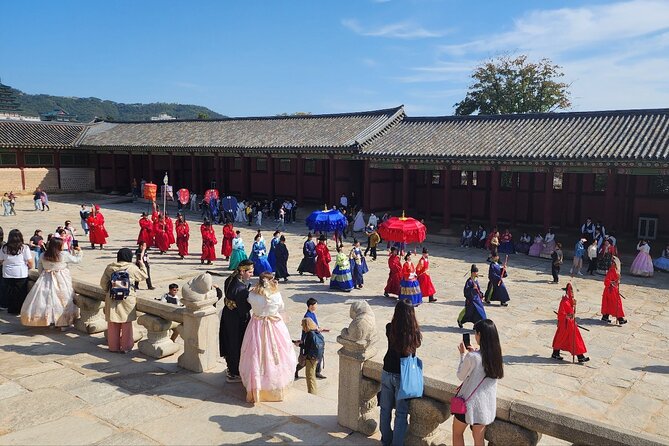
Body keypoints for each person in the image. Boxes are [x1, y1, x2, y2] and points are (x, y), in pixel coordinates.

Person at [239, 272, 297, 403]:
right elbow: (281, 307)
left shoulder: (252, 294)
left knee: (256, 354)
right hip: (274, 325)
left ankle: (257, 387)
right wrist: (275, 289)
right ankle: (275, 387)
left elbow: (249, 301)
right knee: (277, 353)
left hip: (256, 325)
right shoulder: (276, 295)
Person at [453, 319, 504, 446]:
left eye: (476, 333)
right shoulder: (496, 356)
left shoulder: (472, 357)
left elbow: (460, 375)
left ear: (480, 335)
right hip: (484, 408)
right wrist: (473, 353)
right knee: (479, 440)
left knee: (457, 433)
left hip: (467, 405)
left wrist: (463, 355)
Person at [380, 299, 422, 446]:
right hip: (402, 376)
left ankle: (386, 440)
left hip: (387, 371)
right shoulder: (414, 334)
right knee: (401, 413)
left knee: (385, 409)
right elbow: (414, 348)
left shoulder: (389, 328)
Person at [22, 238, 83, 327]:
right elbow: (77, 260)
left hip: (46, 278)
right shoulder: (63, 255)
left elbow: (40, 268)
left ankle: (48, 320)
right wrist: (80, 251)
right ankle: (63, 322)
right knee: (63, 300)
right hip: (61, 279)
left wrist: (43, 275)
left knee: (46, 301)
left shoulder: (43, 255)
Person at [100, 248, 148, 353]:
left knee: (112, 323)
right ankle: (126, 347)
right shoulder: (132, 268)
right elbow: (144, 276)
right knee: (126, 324)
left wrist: (108, 291)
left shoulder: (110, 267)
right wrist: (142, 263)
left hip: (112, 297)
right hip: (127, 298)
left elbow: (103, 283)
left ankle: (113, 347)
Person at [219, 260, 253, 382]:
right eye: (249, 272)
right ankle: (235, 372)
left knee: (228, 340)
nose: (251, 274)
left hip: (228, 314)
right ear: (242, 271)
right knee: (236, 344)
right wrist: (251, 300)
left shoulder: (230, 279)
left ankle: (230, 368)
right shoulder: (241, 289)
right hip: (237, 320)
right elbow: (244, 309)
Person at [551, 283, 589, 363]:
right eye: (571, 290)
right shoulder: (564, 301)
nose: (572, 292)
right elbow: (561, 314)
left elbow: (572, 312)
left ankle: (580, 356)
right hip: (565, 324)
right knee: (561, 338)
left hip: (570, 323)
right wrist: (568, 315)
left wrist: (574, 305)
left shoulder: (570, 300)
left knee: (575, 339)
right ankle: (556, 353)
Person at [0, 229, 35, 314]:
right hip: (21, 272)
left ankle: (11, 309)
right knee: (20, 292)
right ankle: (19, 309)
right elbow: (30, 261)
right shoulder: (24, 248)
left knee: (10, 292)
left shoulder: (4, 248)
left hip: (7, 273)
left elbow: (0, 261)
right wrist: (29, 267)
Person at [299, 318, 325, 394]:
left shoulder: (309, 334)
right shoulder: (316, 332)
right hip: (317, 357)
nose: (302, 326)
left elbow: (307, 347)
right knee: (312, 375)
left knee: (310, 377)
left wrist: (300, 345)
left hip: (311, 358)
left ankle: (312, 394)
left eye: (302, 325)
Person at [601, 257, 627, 325]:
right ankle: (620, 319)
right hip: (610, 290)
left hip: (613, 290)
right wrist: (613, 282)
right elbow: (606, 281)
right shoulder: (612, 270)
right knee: (616, 304)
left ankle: (605, 317)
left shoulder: (615, 271)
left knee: (609, 304)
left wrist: (617, 281)